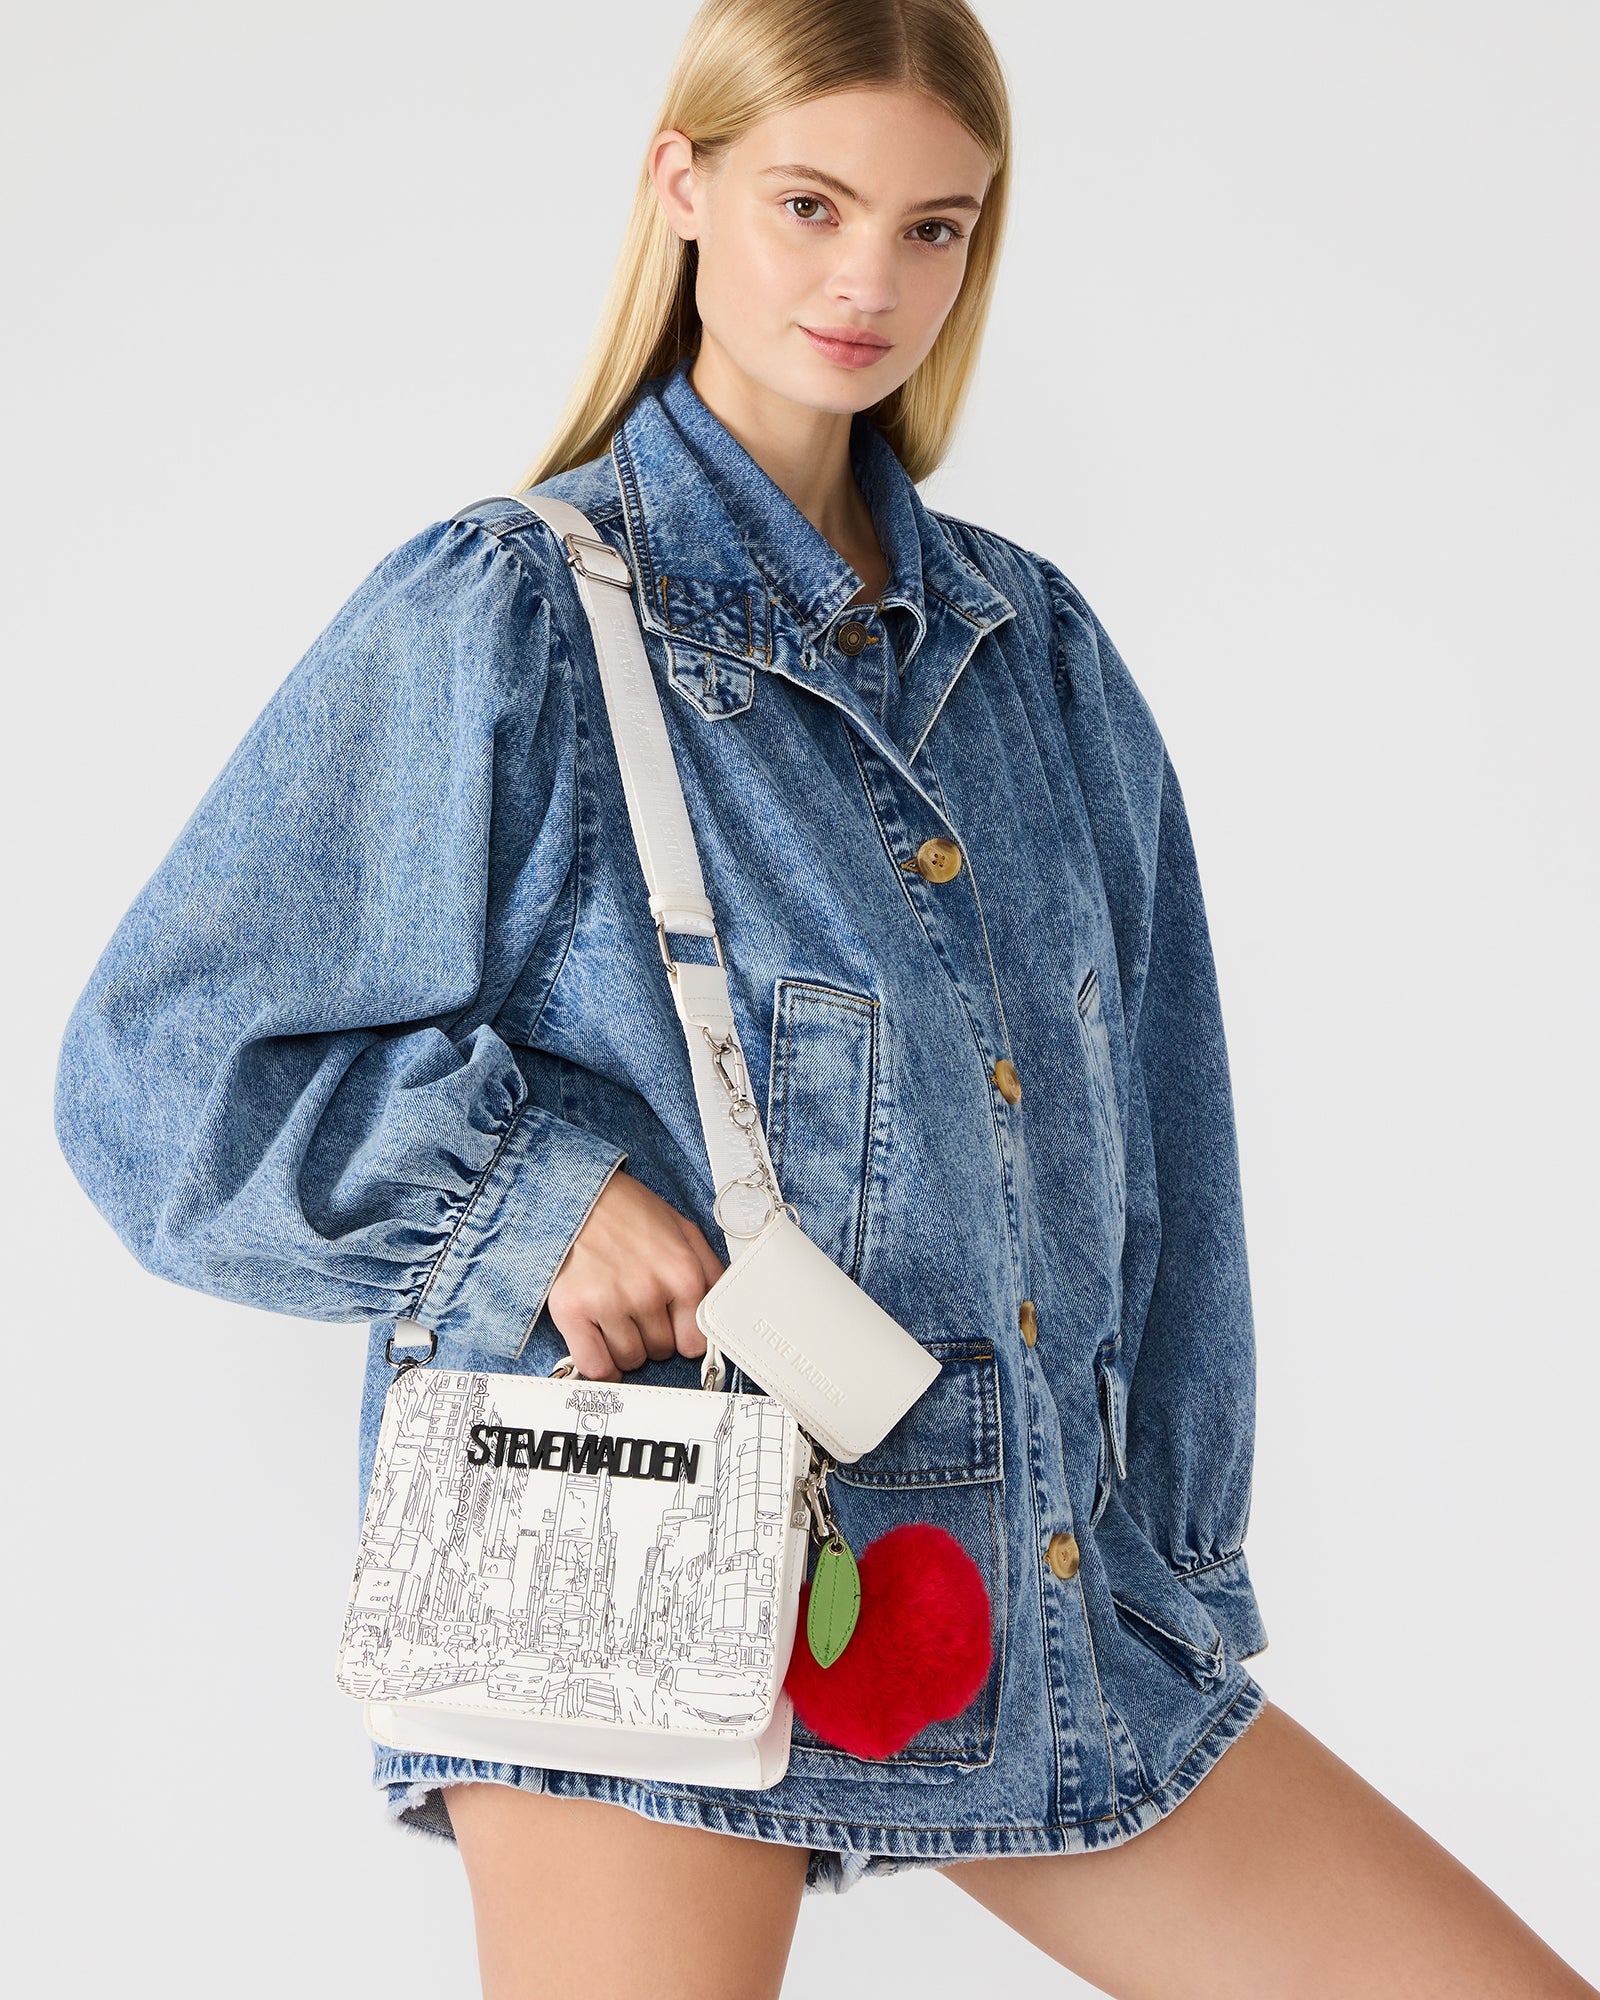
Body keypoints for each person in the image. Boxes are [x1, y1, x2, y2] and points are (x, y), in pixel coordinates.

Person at [51, 2, 1596, 1996]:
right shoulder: (511, 614)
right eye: (810, 204)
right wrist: (530, 1203)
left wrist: (1182, 1562)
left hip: (1021, 1578)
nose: (870, 278)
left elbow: (1167, 1148)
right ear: (680, 187)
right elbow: (161, 1072)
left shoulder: (1038, 660)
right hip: (627, 1577)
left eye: (933, 226)